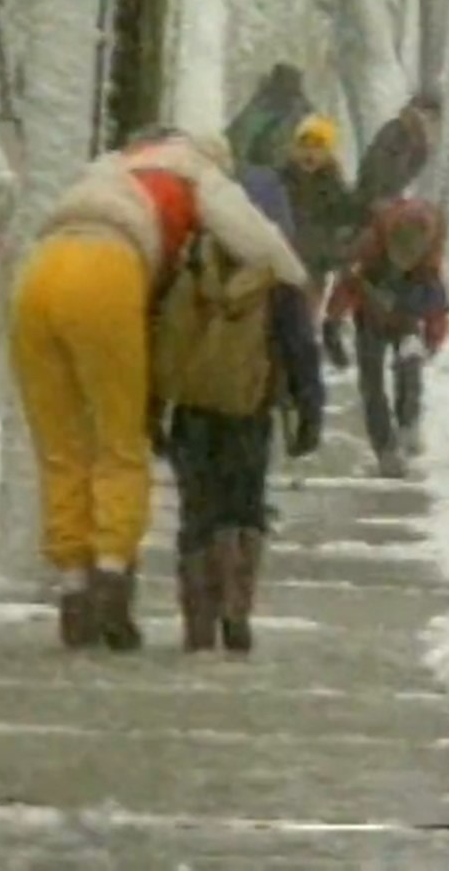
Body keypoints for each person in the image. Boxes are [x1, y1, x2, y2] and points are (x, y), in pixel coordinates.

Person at [10, 128, 309, 652]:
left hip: (37, 275)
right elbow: (263, 246)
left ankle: (72, 588)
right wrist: (295, 282)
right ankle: (110, 586)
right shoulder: (197, 172)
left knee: (61, 447)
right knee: (118, 442)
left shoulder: (111, 167)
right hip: (107, 274)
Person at [156, 165, 325, 655]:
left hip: (192, 407)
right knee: (244, 506)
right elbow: (299, 348)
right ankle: (236, 613)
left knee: (197, 511)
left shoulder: (192, 260)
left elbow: (168, 334)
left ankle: (197, 625)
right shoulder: (277, 273)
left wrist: (154, 405)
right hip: (250, 408)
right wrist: (307, 407)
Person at [321, 197, 449, 479]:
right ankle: (385, 447)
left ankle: (408, 423)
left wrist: (432, 338)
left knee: (410, 368)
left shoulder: (430, 257)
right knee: (372, 381)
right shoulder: (368, 248)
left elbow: (436, 303)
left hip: (408, 316)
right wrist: (332, 323)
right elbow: (347, 284)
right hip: (370, 314)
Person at [278, 113, 360, 316]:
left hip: (313, 272)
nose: (310, 153)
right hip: (277, 268)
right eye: (304, 145)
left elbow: (345, 228)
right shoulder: (280, 181)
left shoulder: (335, 188)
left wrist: (333, 253)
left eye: (318, 147)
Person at [352, 91, 441, 222]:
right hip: (373, 200)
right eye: (429, 117)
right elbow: (378, 165)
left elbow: (406, 175)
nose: (430, 122)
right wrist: (379, 197)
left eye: (433, 119)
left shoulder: (419, 142)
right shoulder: (397, 131)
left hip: (387, 202)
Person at [225, 62, 316, 172]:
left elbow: (240, 134)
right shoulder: (267, 104)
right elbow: (242, 134)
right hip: (267, 170)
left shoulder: (269, 103)